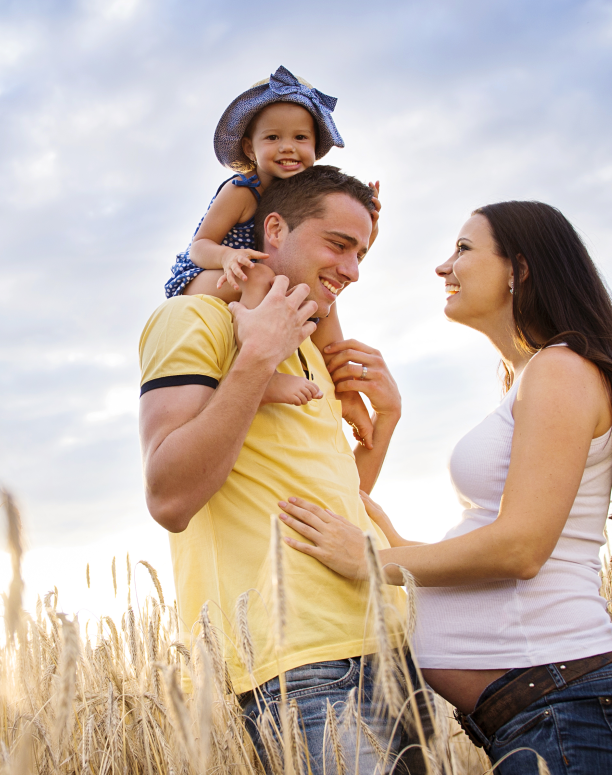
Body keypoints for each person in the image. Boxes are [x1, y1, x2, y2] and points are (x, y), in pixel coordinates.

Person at [276, 201, 612, 775]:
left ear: (519, 268)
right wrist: (388, 529)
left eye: (463, 249)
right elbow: (504, 539)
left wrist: (375, 562)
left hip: (570, 708)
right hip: (544, 712)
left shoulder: (559, 370)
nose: (444, 267)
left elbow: (521, 549)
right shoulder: (536, 375)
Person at [140, 165, 430, 775]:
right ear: (274, 230)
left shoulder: (312, 350)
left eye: (361, 254)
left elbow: (336, 499)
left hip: (388, 641)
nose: (352, 270)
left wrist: (388, 420)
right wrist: (257, 358)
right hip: (299, 662)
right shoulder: (193, 320)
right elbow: (168, 497)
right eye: (339, 245)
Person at [163, 66, 383, 445]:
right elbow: (199, 246)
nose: (287, 147)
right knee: (261, 274)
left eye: (300, 137)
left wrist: (365, 226)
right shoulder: (242, 190)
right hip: (206, 276)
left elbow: (325, 250)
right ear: (250, 149)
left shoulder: (299, 197)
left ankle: (346, 393)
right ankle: (258, 371)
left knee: (324, 304)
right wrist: (228, 257)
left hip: (255, 276)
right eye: (273, 137)